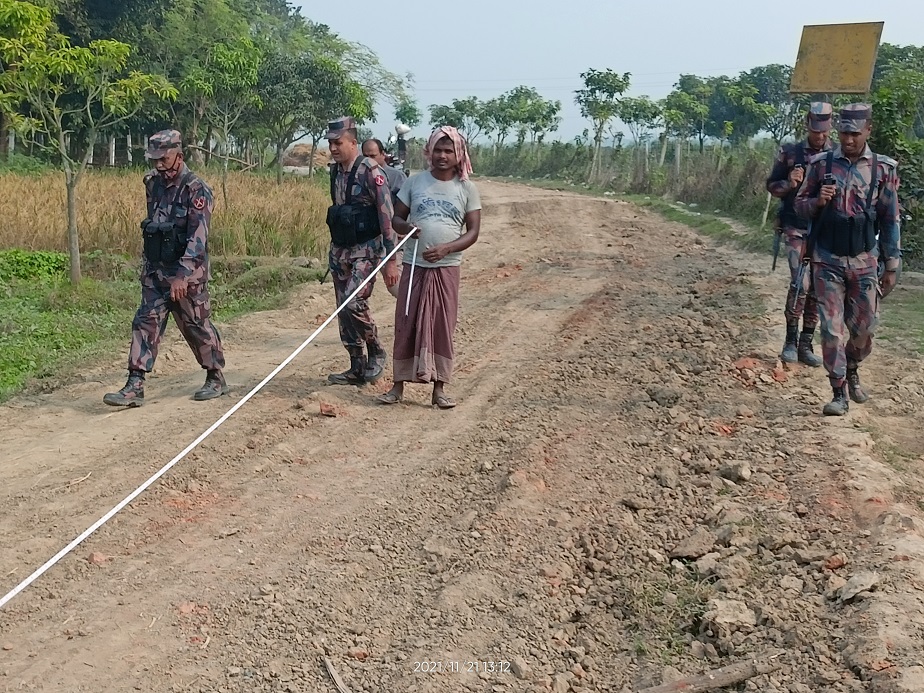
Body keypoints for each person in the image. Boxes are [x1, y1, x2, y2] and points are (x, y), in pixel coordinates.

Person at [104, 130, 227, 407]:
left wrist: (182, 275)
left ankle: (215, 376)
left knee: (195, 325)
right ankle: (135, 384)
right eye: (154, 159)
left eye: (163, 158)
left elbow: (198, 238)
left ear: (178, 155)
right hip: (156, 271)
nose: (158, 164)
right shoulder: (152, 183)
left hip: (187, 275)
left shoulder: (196, 189)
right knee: (145, 322)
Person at [795, 104, 902, 416]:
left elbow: (890, 219)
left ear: (868, 129)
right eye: (844, 133)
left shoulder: (882, 170)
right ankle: (838, 390)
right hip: (827, 260)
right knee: (830, 329)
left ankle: (852, 365)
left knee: (864, 328)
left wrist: (892, 263)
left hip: (865, 261)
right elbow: (799, 207)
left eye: (855, 133)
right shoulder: (820, 165)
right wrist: (817, 201)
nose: (849, 139)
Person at [377, 126, 482, 409]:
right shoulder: (415, 183)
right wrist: (407, 228)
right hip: (414, 264)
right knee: (406, 321)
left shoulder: (467, 188)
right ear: (429, 152)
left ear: (459, 155)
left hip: (447, 267)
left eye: (449, 151)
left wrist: (447, 248)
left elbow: (472, 232)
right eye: (438, 149)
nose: (442, 155)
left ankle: (439, 389)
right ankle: (397, 387)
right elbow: (396, 219)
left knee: (442, 325)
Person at [324, 117, 400, 385]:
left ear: (353, 142)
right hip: (340, 251)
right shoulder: (335, 172)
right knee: (342, 309)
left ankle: (376, 349)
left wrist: (391, 261)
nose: (333, 148)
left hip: (366, 250)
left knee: (354, 301)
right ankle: (356, 364)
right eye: (330, 143)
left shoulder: (371, 172)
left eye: (338, 143)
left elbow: (386, 217)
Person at [766, 102, 834, 367]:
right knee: (800, 283)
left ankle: (806, 343)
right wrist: (790, 183)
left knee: (817, 286)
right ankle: (790, 341)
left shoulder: (836, 155)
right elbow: (772, 186)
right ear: (808, 125)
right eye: (816, 130)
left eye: (824, 131)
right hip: (795, 226)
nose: (819, 136)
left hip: (825, 230)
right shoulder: (790, 152)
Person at [362, 138, 409, 298]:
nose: (369, 160)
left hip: (392, 236)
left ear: (383, 155)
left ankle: (413, 308)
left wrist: (402, 227)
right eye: (365, 156)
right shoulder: (360, 175)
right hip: (368, 237)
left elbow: (406, 206)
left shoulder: (396, 176)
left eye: (373, 155)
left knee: (394, 282)